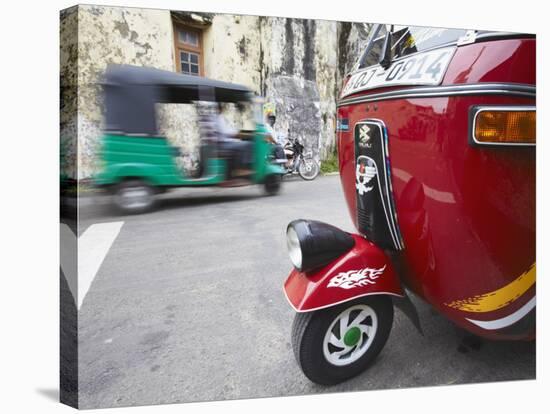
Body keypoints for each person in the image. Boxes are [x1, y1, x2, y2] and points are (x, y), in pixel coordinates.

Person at [213, 103, 253, 178]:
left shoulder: (221, 118)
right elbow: (226, 132)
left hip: (226, 142)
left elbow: (230, 130)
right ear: (221, 108)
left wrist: (240, 133)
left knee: (243, 143)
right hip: (223, 145)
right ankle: (240, 169)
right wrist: (239, 135)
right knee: (247, 145)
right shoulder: (218, 118)